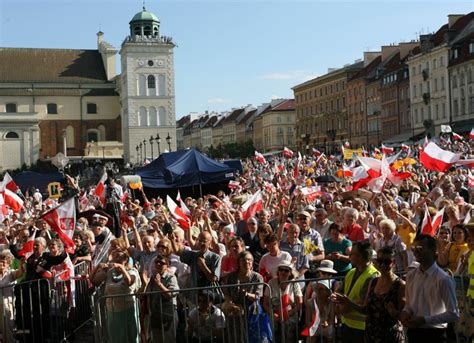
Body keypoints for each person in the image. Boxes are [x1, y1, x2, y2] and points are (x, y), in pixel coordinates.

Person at [334, 246, 406, 342]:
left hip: (390, 335)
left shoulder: (400, 285)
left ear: (394, 263)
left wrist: (395, 313)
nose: (383, 265)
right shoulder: (374, 282)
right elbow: (366, 309)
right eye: (380, 261)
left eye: (387, 262)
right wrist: (348, 302)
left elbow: (404, 316)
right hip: (371, 334)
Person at [400, 234, 460, 343]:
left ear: (432, 250)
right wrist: (405, 312)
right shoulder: (411, 276)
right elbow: (409, 305)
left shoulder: (443, 279)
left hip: (435, 335)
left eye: (420, 248)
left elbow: (453, 314)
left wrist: (425, 320)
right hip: (413, 333)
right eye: (413, 248)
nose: (415, 252)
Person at [90, 250, 141, 343]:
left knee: (130, 336)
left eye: (119, 257)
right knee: (115, 337)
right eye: (114, 257)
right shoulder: (110, 272)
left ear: (125, 259)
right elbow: (93, 280)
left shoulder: (132, 271)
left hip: (127, 310)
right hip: (112, 310)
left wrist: (122, 268)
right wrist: (98, 266)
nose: (115, 259)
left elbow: (129, 282)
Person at [335, 241, 379, 343]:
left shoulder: (373, 275)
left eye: (352, 254)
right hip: (347, 325)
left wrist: (344, 304)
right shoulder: (351, 272)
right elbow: (339, 291)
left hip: (362, 329)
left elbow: (364, 303)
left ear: (360, 256)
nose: (349, 256)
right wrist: (335, 298)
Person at [223, 251, 264, 343]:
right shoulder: (232, 277)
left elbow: (257, 296)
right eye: (243, 260)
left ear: (252, 262)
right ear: (239, 262)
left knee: (250, 337)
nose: (246, 262)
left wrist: (247, 294)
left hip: (251, 312)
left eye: (249, 260)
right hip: (234, 312)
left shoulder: (258, 277)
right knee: (235, 337)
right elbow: (227, 294)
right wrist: (229, 303)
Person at [263, 260, 302, 343]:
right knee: (270, 324)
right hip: (274, 312)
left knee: (288, 324)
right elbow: (265, 303)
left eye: (286, 270)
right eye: (281, 269)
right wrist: (273, 314)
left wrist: (288, 313)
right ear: (278, 271)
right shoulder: (271, 282)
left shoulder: (294, 283)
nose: (283, 272)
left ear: (290, 273)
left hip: (290, 312)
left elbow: (299, 304)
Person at [143, 254, 179, 343]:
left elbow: (170, 294)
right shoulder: (153, 277)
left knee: (168, 340)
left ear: (167, 265)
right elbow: (145, 294)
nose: (158, 264)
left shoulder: (171, 277)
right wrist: (144, 282)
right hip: (155, 314)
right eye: (156, 262)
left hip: (168, 315)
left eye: (161, 263)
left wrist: (159, 284)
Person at [305, 259, 338, 342]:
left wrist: (327, 323)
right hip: (314, 314)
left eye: (329, 273)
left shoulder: (335, 284)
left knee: (329, 334)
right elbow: (306, 299)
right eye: (323, 272)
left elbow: (333, 309)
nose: (326, 275)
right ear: (319, 272)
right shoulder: (312, 283)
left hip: (327, 316)